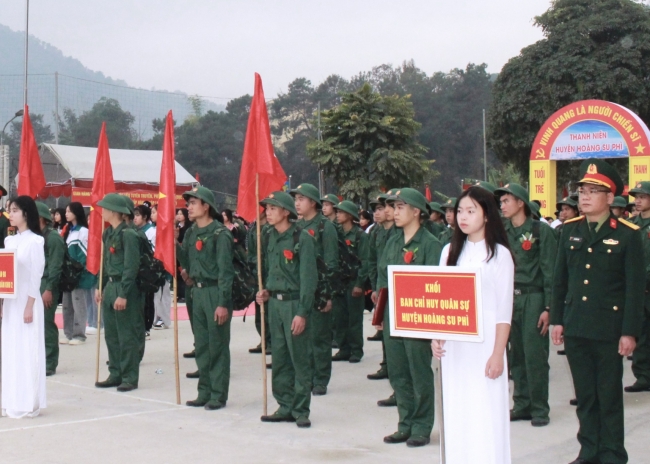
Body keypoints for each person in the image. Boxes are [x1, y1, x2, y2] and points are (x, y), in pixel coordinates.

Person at [551, 160, 644, 464]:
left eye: (593, 191)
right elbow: (560, 279)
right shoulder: (569, 230)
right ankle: (589, 449)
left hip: (608, 328)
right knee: (586, 396)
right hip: (577, 325)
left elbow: (634, 288)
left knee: (609, 396)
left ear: (610, 197)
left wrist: (630, 331)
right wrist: (557, 320)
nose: (585, 197)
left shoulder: (628, 234)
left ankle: (613, 453)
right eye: (582, 191)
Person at [432, 186, 514, 463]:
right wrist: (436, 337)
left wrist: (497, 353)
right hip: (456, 346)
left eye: (471, 211)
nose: (463, 217)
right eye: (459, 211)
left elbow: (504, 311)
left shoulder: (500, 255)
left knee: (486, 411)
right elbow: (440, 300)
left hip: (487, 345)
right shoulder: (449, 252)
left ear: (487, 215)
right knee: (458, 409)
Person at [376, 188, 442, 447]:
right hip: (393, 313)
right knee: (398, 372)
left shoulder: (430, 245)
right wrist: (381, 314)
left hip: (418, 315)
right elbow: (383, 277)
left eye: (401, 207)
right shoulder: (392, 241)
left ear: (417, 211)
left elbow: (436, 284)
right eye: (394, 206)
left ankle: (422, 426)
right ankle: (405, 423)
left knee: (419, 372)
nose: (395, 211)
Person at [494, 183, 556, 427]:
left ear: (521, 202)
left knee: (534, 356)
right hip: (510, 299)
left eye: (507, 200)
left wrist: (549, 307)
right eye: (501, 202)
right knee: (515, 355)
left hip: (533, 297)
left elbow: (550, 271)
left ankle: (540, 408)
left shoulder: (541, 231)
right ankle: (521, 404)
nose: (503, 205)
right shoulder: (502, 232)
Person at [256, 191, 317, 428]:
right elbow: (271, 270)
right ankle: (284, 404)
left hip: (294, 303)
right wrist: (266, 291)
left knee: (299, 357)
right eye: (267, 209)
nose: (268, 213)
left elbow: (308, 280)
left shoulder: (303, 238)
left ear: (285, 211)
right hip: (276, 304)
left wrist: (302, 312)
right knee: (279, 356)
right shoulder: (269, 236)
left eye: (273, 208)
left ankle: (301, 409)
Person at [177, 187, 235, 410]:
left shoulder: (220, 234)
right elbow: (189, 262)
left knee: (217, 345)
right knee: (201, 344)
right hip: (196, 292)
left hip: (214, 292)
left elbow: (225, 272)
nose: (188, 207)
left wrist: (222, 303)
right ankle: (204, 391)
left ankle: (218, 394)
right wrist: (175, 245)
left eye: (193, 203)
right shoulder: (191, 233)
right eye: (188, 203)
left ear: (206, 206)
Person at [291, 183, 339, 396]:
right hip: (301, 290)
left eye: (302, 199)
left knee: (319, 338)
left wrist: (327, 295)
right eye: (296, 199)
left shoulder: (324, 227)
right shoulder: (297, 227)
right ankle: (306, 376)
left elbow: (331, 262)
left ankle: (320, 379)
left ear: (313, 202)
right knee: (303, 338)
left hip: (320, 290)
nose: (297, 203)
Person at [1, 196, 46, 418]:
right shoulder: (10, 242)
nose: (12, 214)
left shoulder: (36, 242)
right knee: (10, 349)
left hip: (27, 301)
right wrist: (2, 302)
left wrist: (29, 305)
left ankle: (28, 401)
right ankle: (10, 399)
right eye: (10, 210)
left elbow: (36, 276)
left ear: (26, 214)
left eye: (16, 210)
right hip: (11, 301)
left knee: (27, 349)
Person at [94, 194, 143, 392]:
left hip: (125, 288)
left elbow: (131, 266)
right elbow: (105, 262)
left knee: (127, 335)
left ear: (115, 211)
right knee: (112, 335)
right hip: (110, 286)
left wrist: (123, 294)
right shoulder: (108, 233)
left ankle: (130, 376)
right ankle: (115, 373)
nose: (102, 211)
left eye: (105, 208)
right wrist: (100, 284)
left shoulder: (129, 235)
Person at [332, 200, 370, 363]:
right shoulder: (335, 233)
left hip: (353, 282)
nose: (338, 214)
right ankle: (344, 348)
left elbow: (365, 261)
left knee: (354, 319)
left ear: (349, 215)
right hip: (339, 282)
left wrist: (359, 284)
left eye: (341, 212)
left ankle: (356, 349)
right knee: (339, 318)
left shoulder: (360, 235)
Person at [624, 181, 650, 393]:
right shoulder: (631, 226)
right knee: (639, 331)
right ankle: (642, 375)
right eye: (636, 197)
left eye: (642, 196)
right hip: (637, 288)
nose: (638, 200)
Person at [36, 202, 65, 377]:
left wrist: (49, 289)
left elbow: (55, 266)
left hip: (47, 284)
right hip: (36, 283)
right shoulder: (36, 236)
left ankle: (50, 361)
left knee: (46, 323)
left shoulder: (53, 237)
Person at [61, 202, 94, 345]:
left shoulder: (83, 231)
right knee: (67, 304)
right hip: (67, 275)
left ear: (76, 212)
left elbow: (85, 254)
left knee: (78, 303)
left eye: (69, 211)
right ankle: (68, 333)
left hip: (77, 275)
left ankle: (79, 334)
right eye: (66, 211)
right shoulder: (68, 230)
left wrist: (77, 270)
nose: (66, 214)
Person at [247, 205, 272, 355]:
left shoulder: (270, 228)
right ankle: (264, 339)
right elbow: (250, 251)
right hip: (256, 273)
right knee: (259, 311)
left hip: (268, 273)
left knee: (269, 311)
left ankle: (271, 342)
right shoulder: (253, 228)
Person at [176, 208, 191, 302]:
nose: (179, 216)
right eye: (178, 214)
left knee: (184, 272)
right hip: (178, 252)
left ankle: (183, 294)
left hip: (184, 251)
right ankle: (179, 293)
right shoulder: (177, 227)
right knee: (178, 274)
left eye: (181, 214)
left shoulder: (188, 228)